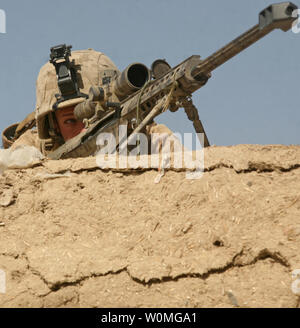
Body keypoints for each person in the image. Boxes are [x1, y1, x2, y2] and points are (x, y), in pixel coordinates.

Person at [2, 47, 173, 156]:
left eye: (97, 116)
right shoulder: (34, 147)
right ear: (53, 125)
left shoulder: (147, 136)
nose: (86, 129)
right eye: (70, 121)